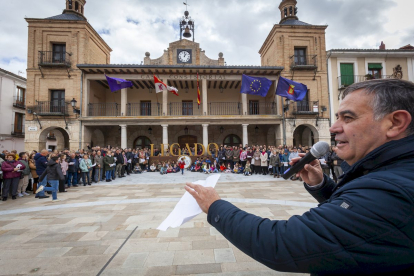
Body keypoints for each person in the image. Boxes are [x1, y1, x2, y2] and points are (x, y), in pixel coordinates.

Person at [185, 79, 414, 275]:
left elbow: (280, 244)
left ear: (395, 123)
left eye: (348, 117)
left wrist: (215, 206)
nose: (333, 128)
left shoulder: (392, 191)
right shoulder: (390, 173)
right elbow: (360, 221)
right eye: (337, 117)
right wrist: (322, 186)